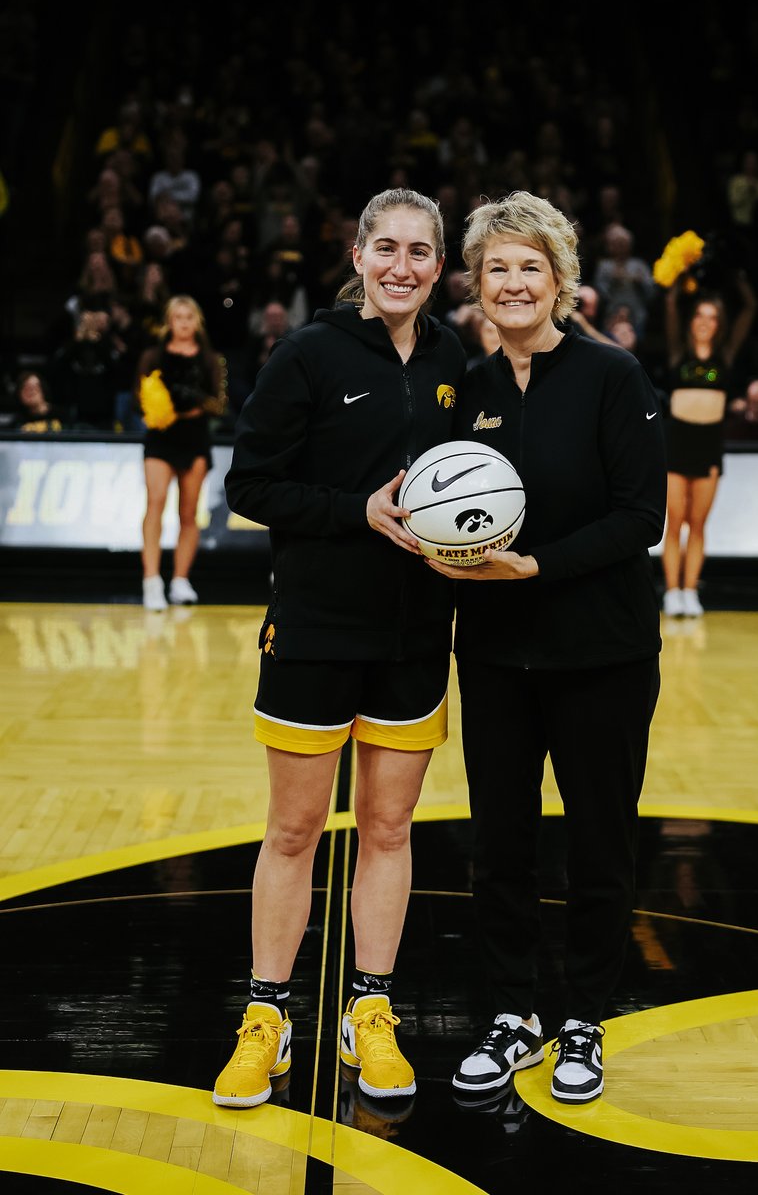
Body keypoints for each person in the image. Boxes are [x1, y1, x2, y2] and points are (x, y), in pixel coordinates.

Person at [214, 188, 467, 1110]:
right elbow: (249, 484)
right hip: (315, 629)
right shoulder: (309, 353)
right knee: (293, 832)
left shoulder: (453, 361)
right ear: (359, 256)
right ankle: (267, 1017)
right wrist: (353, 513)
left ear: (440, 268)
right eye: (386, 248)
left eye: (420, 252)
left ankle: (371, 1011)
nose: (402, 267)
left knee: (389, 831)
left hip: (413, 636)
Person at [426, 190, 666, 1105]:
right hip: (493, 655)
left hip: (601, 651)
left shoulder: (612, 377)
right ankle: (511, 1013)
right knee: (501, 844)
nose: (514, 282)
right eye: (497, 267)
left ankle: (586, 1020)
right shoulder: (468, 391)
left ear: (561, 281)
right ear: (477, 285)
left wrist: (536, 567)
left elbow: (640, 519)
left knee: (600, 842)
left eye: (531, 266)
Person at [661, 271, 756, 616]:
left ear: (720, 324)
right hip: (677, 443)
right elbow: (670, 303)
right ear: (691, 321)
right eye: (700, 315)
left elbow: (749, 309)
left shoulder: (725, 357)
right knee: (675, 521)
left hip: (709, 444)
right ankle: (672, 592)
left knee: (698, 524)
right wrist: (683, 271)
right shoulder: (677, 354)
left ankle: (691, 590)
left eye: (712, 317)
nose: (705, 322)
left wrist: (735, 273)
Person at [136, 295, 226, 611]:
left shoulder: (209, 359)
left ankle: (180, 580)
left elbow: (220, 404)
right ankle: (151, 581)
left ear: (197, 322)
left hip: (194, 437)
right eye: (178, 317)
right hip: (161, 437)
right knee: (155, 502)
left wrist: (197, 399)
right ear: (169, 322)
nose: (184, 323)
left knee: (188, 513)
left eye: (189, 317)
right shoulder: (153, 356)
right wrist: (161, 404)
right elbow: (140, 398)